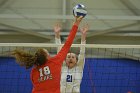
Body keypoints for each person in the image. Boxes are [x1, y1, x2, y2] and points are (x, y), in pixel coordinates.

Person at [12, 16, 83, 93]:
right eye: (48, 52)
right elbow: (68, 43)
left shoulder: (34, 71)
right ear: (47, 56)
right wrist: (76, 24)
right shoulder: (55, 62)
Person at [54, 23, 88, 93]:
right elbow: (59, 51)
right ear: (65, 60)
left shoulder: (79, 68)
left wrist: (83, 35)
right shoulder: (63, 67)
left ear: (76, 60)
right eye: (68, 57)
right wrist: (57, 34)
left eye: (73, 57)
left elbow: (82, 53)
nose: (70, 58)